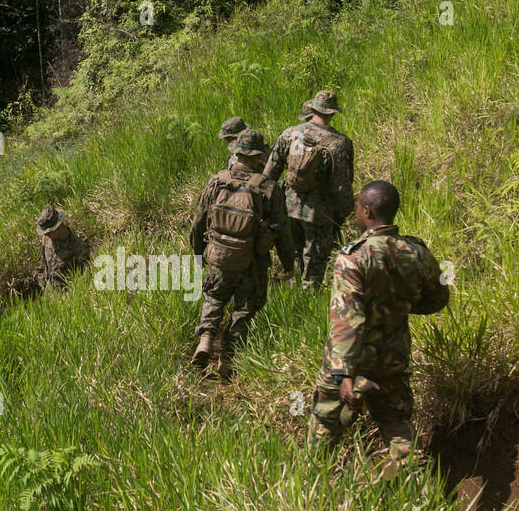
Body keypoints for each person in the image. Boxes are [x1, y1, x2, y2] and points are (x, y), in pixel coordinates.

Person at [307, 181, 449, 456]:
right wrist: (399, 306)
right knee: (396, 421)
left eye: (358, 207)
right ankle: (414, 483)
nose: (355, 211)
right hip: (393, 355)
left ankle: (312, 481)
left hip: (354, 357)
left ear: (368, 212)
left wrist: (343, 373)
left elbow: (347, 318)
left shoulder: (352, 257)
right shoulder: (419, 252)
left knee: (326, 421)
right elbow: (438, 299)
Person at [189, 128, 292, 380]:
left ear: (236, 153)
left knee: (214, 297)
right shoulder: (268, 188)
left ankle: (205, 338)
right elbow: (283, 231)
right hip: (253, 261)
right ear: (259, 157)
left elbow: (198, 222)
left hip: (218, 255)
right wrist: (289, 263)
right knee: (245, 308)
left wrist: (198, 253)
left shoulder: (216, 181)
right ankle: (228, 356)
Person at [263, 90, 354, 290]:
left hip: (288, 210)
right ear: (332, 113)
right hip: (319, 215)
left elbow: (268, 176)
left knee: (294, 256)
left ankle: (292, 294)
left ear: (312, 109)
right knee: (315, 263)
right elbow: (342, 186)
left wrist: (272, 207)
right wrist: (344, 210)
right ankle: (307, 302)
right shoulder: (339, 144)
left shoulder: (289, 134)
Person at [36, 207, 91, 292]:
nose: (46, 235)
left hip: (68, 295)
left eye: (49, 232)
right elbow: (42, 263)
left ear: (58, 227)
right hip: (50, 292)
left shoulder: (76, 244)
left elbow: (86, 270)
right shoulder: (46, 239)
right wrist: (42, 285)